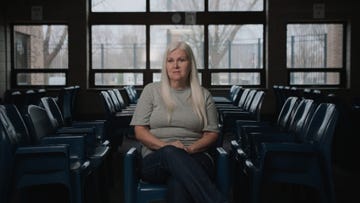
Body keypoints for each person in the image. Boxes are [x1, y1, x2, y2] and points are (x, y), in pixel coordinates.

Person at [130, 41, 227, 203]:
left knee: (179, 182)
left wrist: (189, 149)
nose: (175, 65)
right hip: (156, 159)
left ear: (191, 64)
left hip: (196, 157)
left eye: (181, 60)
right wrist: (168, 147)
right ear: (165, 65)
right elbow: (140, 131)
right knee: (170, 152)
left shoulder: (204, 95)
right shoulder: (151, 91)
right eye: (170, 60)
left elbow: (212, 133)